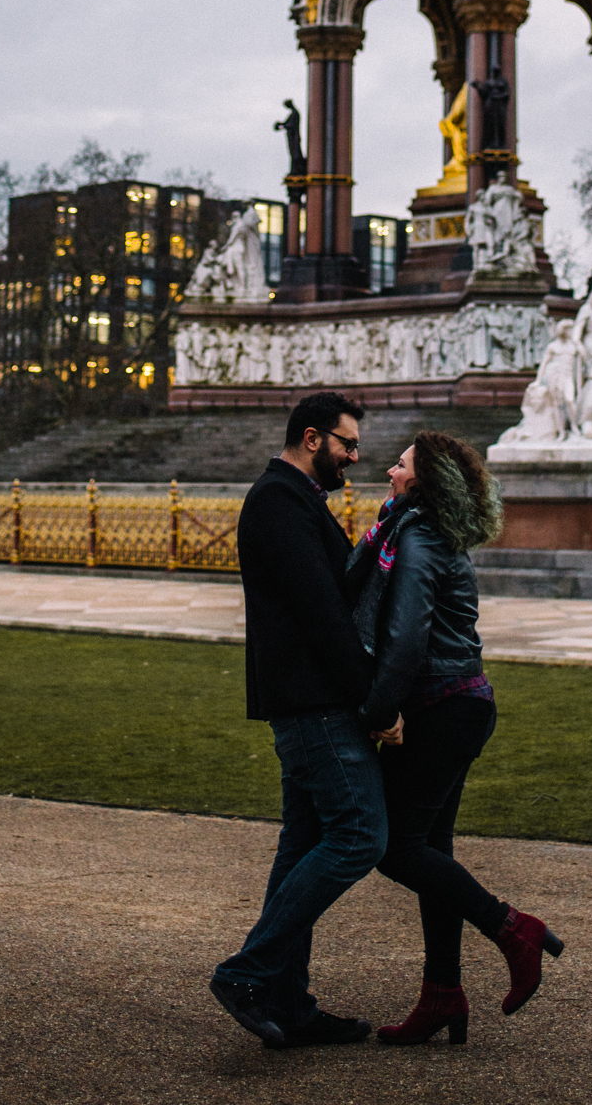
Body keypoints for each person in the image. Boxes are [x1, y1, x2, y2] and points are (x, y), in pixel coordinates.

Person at [345, 431, 565, 1046]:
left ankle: (512, 929)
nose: (389, 471)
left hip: (440, 707)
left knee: (391, 847)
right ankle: (442, 992)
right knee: (430, 851)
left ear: (423, 482)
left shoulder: (413, 537)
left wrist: (378, 710)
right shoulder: (429, 533)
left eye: (401, 464)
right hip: (461, 701)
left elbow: (409, 635)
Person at [209, 391, 399, 1052]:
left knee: (301, 847)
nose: (354, 457)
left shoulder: (296, 502)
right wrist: (374, 703)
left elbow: (334, 594)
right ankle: (248, 973)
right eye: (347, 444)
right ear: (312, 438)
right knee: (360, 836)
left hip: (304, 699)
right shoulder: (278, 502)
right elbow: (323, 614)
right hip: (313, 703)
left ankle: (287, 1003)